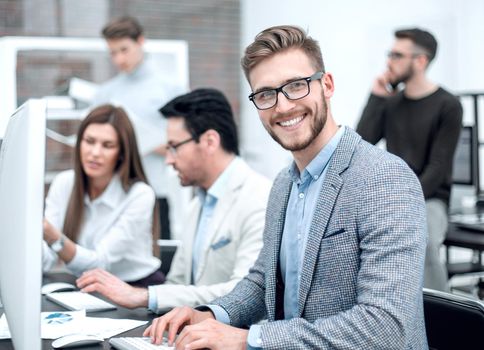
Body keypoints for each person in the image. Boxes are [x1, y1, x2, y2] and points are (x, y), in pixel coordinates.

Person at [142, 25, 428, 349]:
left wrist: (248, 340)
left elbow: (385, 327)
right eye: (266, 94)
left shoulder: (384, 179)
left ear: (327, 85)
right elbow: (263, 279)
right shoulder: (283, 184)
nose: (282, 106)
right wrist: (210, 314)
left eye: (296, 85)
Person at [76, 88, 272, 312]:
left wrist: (142, 295)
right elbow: (177, 283)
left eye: (174, 147)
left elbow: (244, 294)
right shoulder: (198, 203)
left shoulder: (260, 199)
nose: (168, 160)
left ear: (209, 141)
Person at [357, 28, 463, 292]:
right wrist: (376, 97)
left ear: (421, 61)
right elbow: (360, 144)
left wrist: (403, 199)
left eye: (397, 55)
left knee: (420, 236)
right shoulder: (391, 103)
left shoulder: (448, 105)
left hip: (430, 198)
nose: (389, 61)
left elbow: (438, 168)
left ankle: (441, 317)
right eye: (389, 54)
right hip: (393, 195)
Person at [43, 104, 164, 287]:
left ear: (122, 153)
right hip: (84, 285)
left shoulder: (140, 195)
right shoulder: (64, 183)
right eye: (89, 141)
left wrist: (52, 236)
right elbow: (47, 258)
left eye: (107, 145)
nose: (95, 153)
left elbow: (100, 264)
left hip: (137, 288)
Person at [92, 16, 188, 241]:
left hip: (156, 192)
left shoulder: (170, 88)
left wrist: (145, 142)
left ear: (141, 41)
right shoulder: (105, 94)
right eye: (113, 53)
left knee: (156, 261)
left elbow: (187, 140)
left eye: (124, 49)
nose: (119, 59)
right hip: (114, 194)